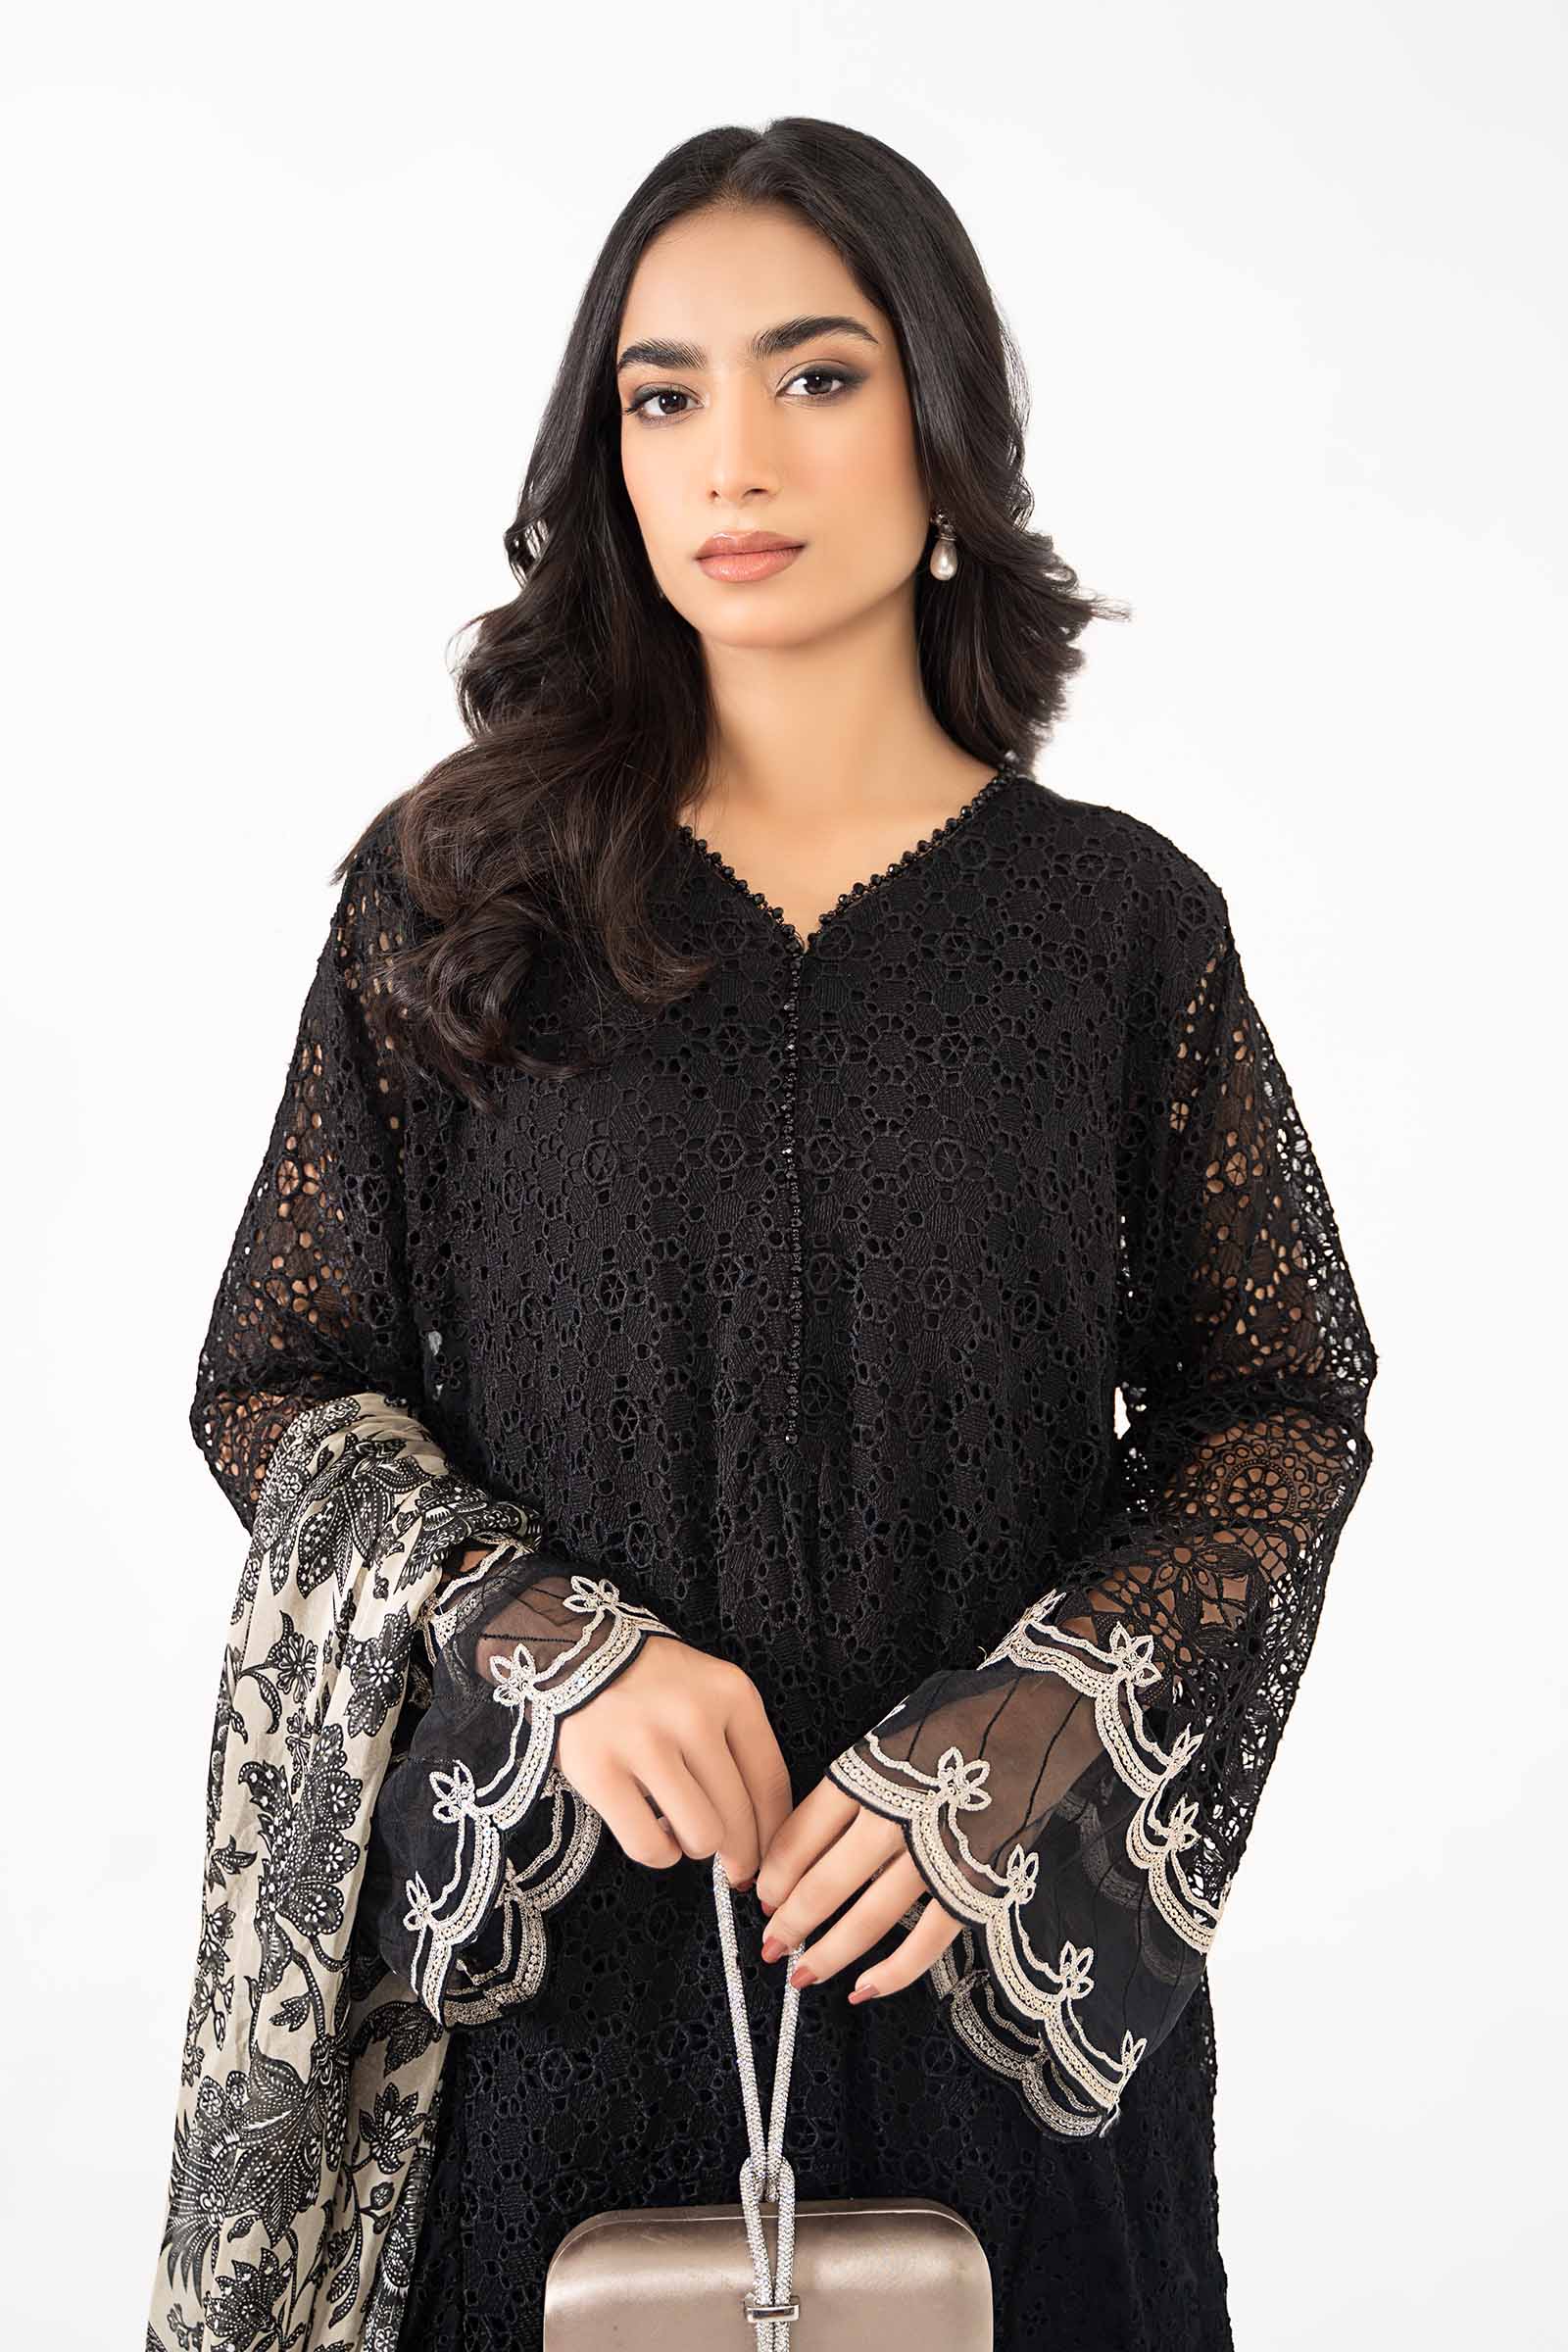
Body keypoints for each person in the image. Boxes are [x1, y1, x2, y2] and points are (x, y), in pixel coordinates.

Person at [145, 117, 1378, 2352]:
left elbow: (1277, 1405)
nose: (733, 455)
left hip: (993, 1994)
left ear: (942, 424)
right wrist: (546, 1643)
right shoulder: (458, 906)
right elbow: (282, 1379)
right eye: (663, 392)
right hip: (545, 2005)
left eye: (815, 375)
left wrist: (1023, 1735)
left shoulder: (1114, 928)